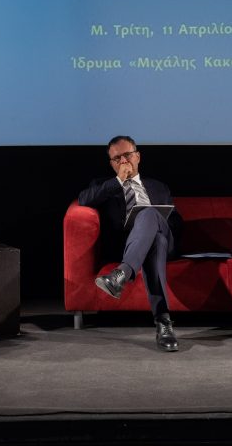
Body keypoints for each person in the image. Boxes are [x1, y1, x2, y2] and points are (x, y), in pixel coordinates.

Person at [78, 135, 184, 352]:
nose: (124, 161)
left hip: (168, 243)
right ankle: (163, 322)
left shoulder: (159, 187)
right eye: (117, 158)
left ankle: (121, 275)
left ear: (138, 156)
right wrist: (118, 181)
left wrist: (156, 221)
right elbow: (84, 199)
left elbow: (176, 222)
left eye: (127, 155)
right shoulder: (104, 186)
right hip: (134, 246)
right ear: (112, 164)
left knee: (150, 216)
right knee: (155, 241)